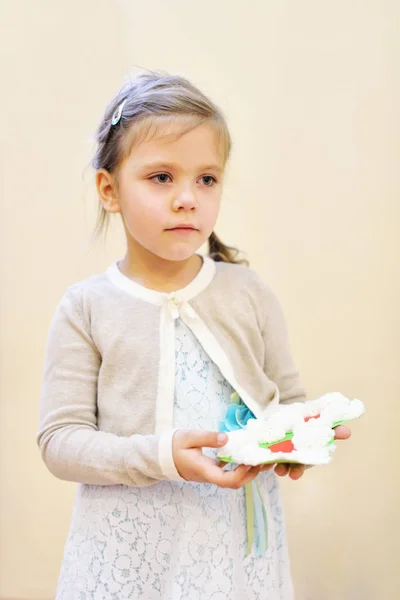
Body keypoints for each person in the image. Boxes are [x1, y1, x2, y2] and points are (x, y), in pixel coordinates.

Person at [37, 70, 351, 600]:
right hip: (128, 548)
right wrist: (162, 456)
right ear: (109, 189)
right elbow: (60, 443)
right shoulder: (86, 308)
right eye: (162, 177)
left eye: (207, 178)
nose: (188, 198)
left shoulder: (248, 292)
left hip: (231, 547)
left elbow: (286, 401)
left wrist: (300, 436)